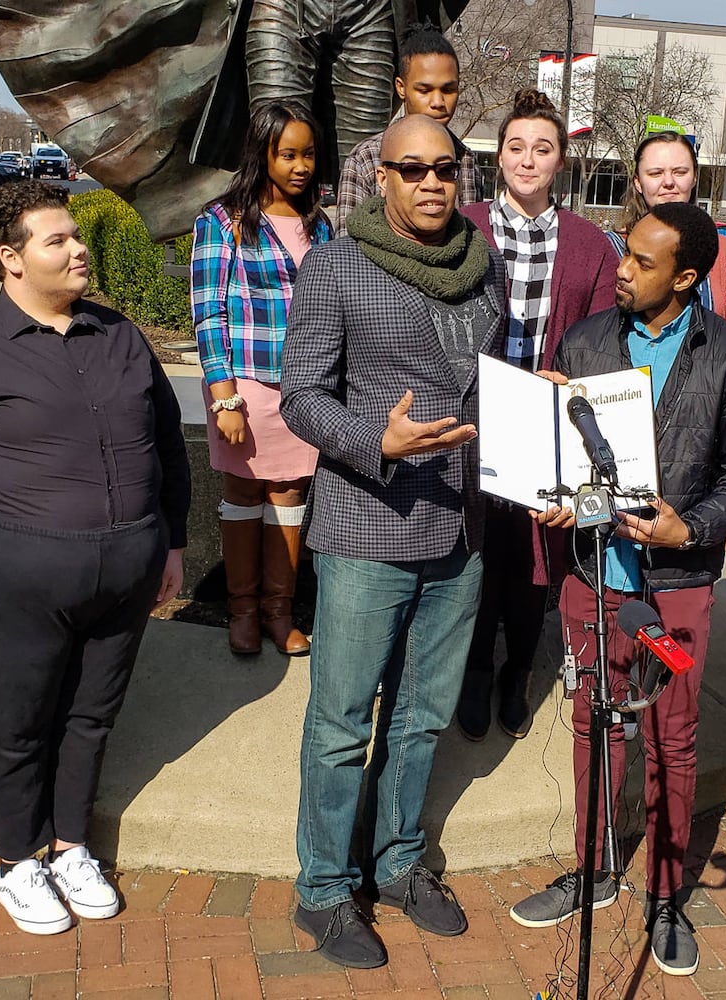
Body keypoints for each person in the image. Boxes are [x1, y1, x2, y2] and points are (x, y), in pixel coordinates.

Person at [0, 181, 190, 935]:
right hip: (9, 578)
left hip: (123, 574)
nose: (78, 248)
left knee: (90, 717)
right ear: (10, 259)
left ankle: (69, 845)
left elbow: (166, 446)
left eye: (75, 235)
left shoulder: (117, 335)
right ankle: (18, 860)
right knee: (14, 724)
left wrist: (173, 541)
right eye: (57, 240)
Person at [509, 201, 726, 977]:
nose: (620, 270)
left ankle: (665, 897)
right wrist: (548, 481)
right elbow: (557, 453)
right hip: (592, 576)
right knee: (595, 724)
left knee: (672, 739)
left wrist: (687, 530)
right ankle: (595, 869)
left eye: (641, 263)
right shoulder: (586, 341)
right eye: (624, 255)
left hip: (678, 584)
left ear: (687, 277)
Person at [280, 115, 507, 969]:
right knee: (342, 721)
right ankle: (325, 891)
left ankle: (400, 861)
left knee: (421, 718)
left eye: (445, 168)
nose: (430, 182)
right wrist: (378, 439)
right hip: (369, 526)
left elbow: (490, 383)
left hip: (460, 530)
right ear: (381, 177)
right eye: (411, 168)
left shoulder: (484, 271)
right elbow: (302, 396)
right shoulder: (337, 266)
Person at [452, 88, 618, 740]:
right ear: (501, 157)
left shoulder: (590, 244)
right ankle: (470, 670)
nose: (527, 160)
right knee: (477, 553)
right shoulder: (465, 225)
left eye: (541, 149)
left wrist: (571, 376)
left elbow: (605, 334)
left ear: (560, 161)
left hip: (547, 418)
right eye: (516, 147)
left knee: (532, 559)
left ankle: (516, 670)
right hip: (475, 412)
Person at [192, 100, 331, 656]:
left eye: (309, 154)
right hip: (245, 387)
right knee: (243, 492)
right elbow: (208, 311)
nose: (300, 165)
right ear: (262, 154)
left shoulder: (318, 222)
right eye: (288, 154)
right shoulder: (221, 220)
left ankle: (279, 610)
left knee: (290, 492)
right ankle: (242, 610)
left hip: (304, 386)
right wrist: (223, 396)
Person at [333, 26, 480, 236]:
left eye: (448, 90)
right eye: (425, 90)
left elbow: (470, 241)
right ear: (401, 87)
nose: (438, 102)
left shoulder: (465, 160)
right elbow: (347, 250)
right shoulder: (366, 158)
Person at [605, 130, 726, 334]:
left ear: (694, 177)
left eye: (680, 172)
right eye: (655, 173)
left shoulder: (722, 251)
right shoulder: (608, 249)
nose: (669, 182)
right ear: (638, 182)